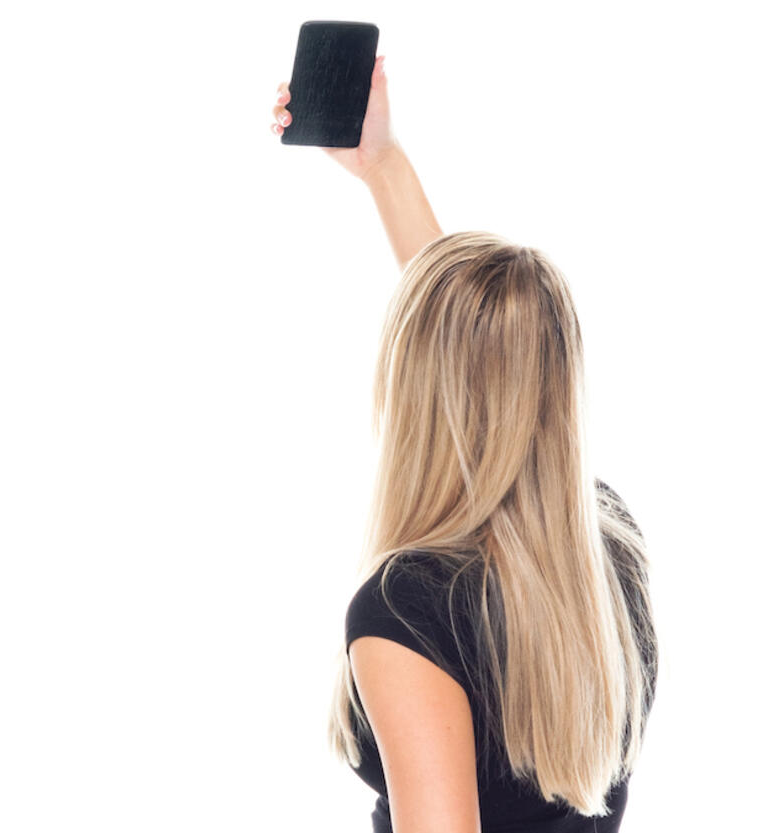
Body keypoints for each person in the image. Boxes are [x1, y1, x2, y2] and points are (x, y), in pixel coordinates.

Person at [270, 55, 659, 833]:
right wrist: (382, 165)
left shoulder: (408, 612)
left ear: (414, 391)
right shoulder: (602, 544)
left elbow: (462, 349)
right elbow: (479, 345)